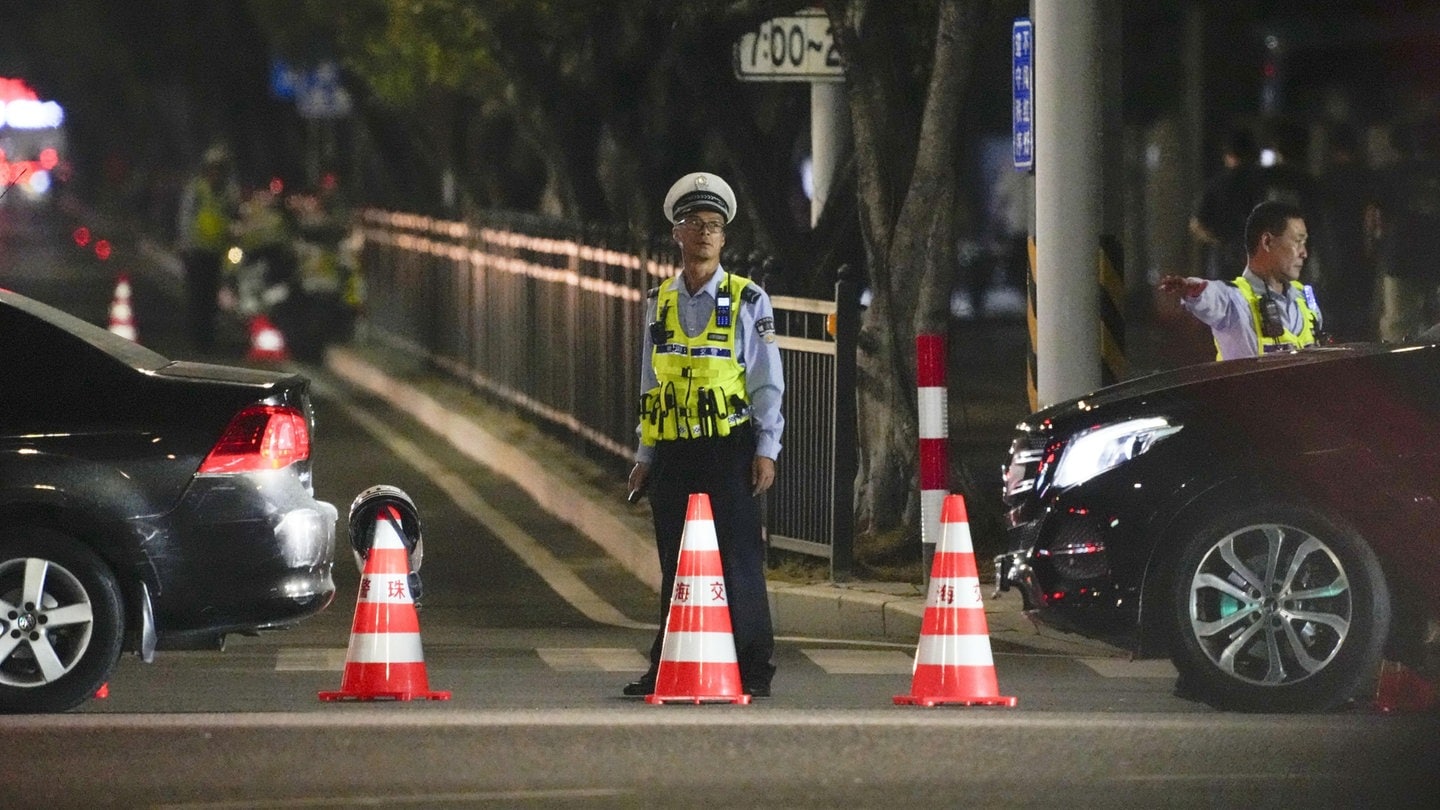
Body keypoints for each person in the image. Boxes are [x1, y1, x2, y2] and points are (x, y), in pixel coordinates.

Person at [624, 172, 784, 698]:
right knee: (675, 562)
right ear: (677, 233)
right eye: (695, 224)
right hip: (673, 450)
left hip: (728, 446)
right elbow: (651, 382)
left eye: (714, 226)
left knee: (738, 558)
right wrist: (645, 454)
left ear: (724, 238)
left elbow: (766, 381)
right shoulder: (660, 300)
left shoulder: (748, 299)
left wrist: (766, 448)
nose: (705, 233)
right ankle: (668, 663)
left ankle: (753, 667)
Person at [1160, 199, 1322, 360]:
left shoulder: (1305, 296)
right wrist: (1192, 289)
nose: (1304, 253)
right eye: (1298, 241)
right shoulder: (1234, 300)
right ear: (1267, 242)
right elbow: (1210, 294)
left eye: (1304, 243)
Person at [1375, 117, 1440, 342]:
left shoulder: (1393, 173)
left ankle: (1397, 374)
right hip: (1435, 256)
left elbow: (1379, 218)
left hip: (1401, 257)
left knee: (1398, 327)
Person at [176, 143, 240, 351]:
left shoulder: (228, 194)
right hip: (195, 252)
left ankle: (207, 338)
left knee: (211, 298)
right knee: (196, 296)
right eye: (214, 169)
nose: (217, 173)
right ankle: (195, 337)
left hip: (216, 253)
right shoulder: (197, 190)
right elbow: (186, 218)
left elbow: (232, 220)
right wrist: (185, 245)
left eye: (221, 169)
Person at [1190, 127, 1263, 280]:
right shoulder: (1263, 185)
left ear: (1228, 155)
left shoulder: (1217, 185)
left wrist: (1219, 242)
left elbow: (1197, 225)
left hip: (1223, 260)